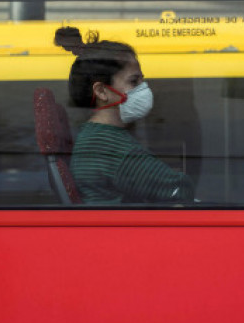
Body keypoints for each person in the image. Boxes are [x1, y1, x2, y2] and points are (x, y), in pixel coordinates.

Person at [55, 27, 194, 204]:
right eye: (134, 81)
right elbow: (179, 190)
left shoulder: (94, 136)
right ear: (102, 92)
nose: (144, 88)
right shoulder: (110, 147)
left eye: (142, 80)